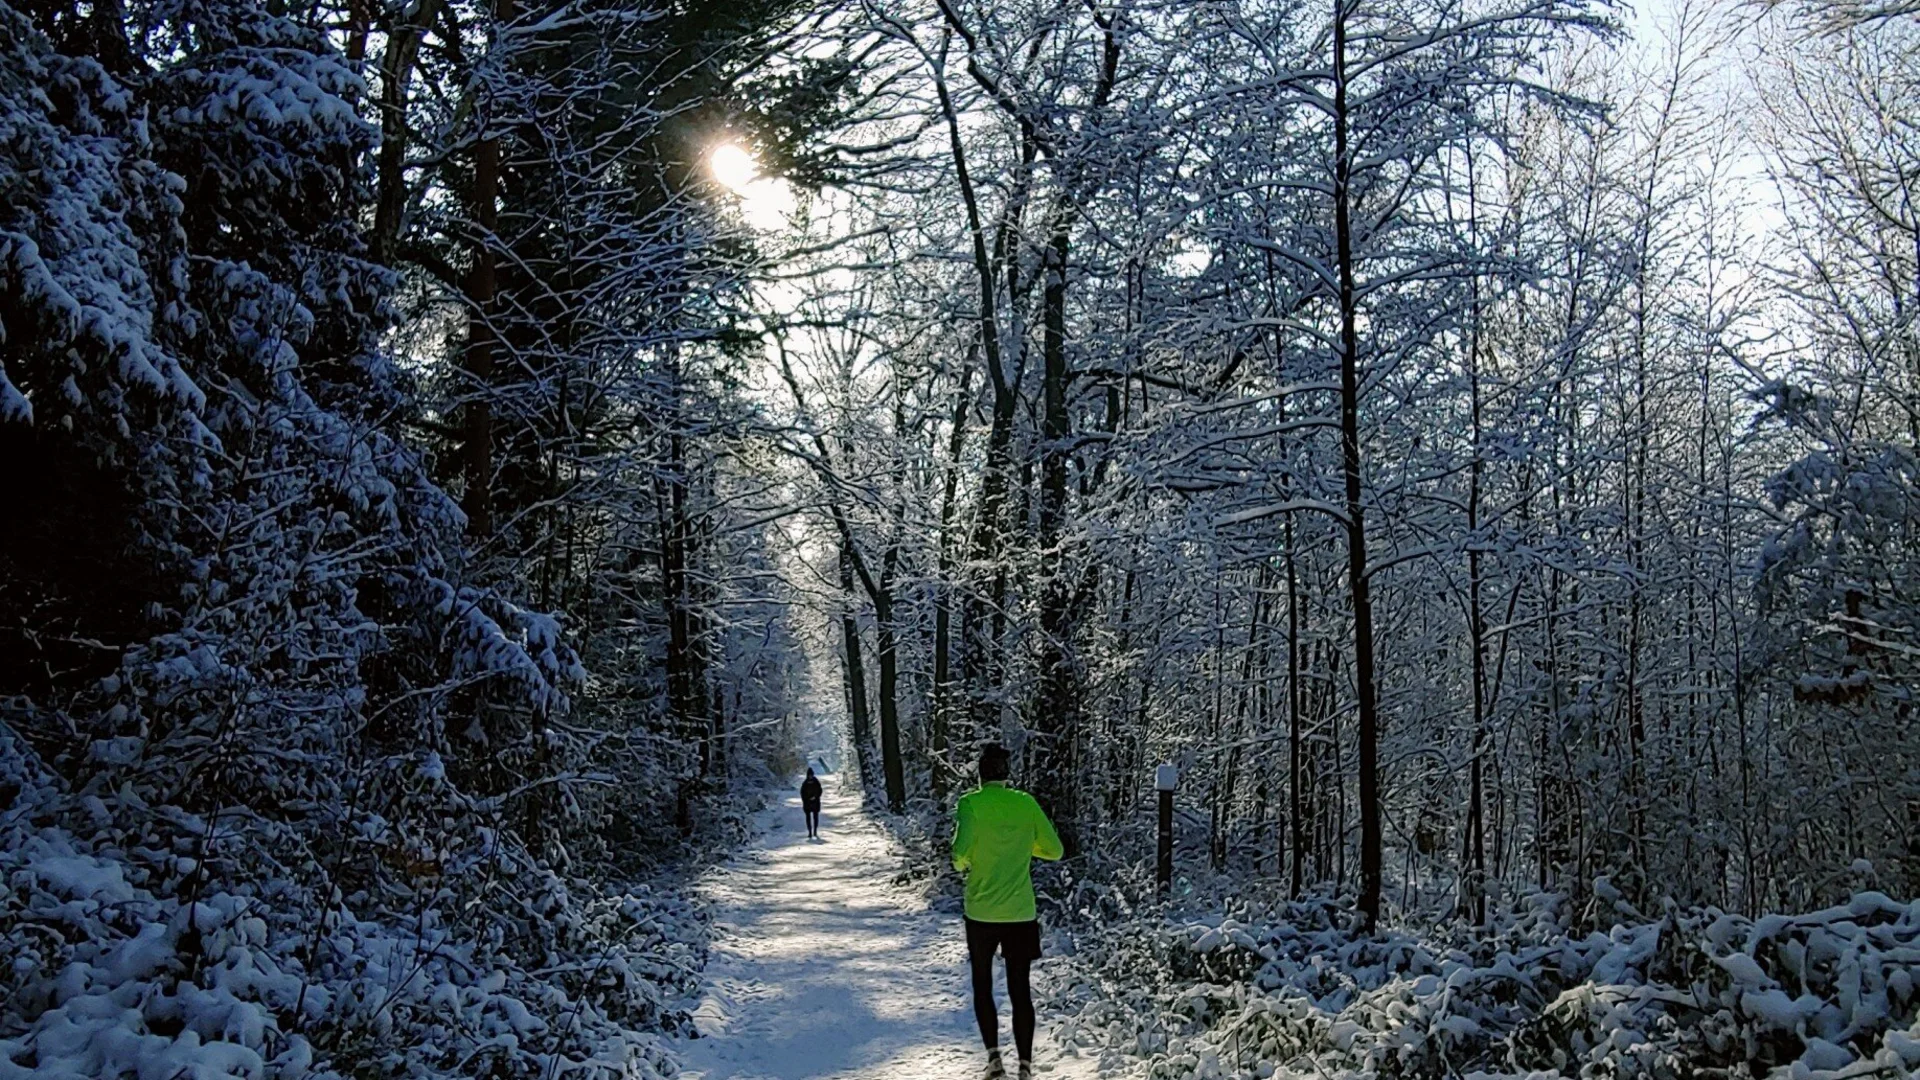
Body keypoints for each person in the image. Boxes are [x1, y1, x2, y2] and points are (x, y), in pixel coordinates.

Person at [950, 744, 1063, 1080]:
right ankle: (1026, 1066)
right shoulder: (1025, 803)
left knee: (983, 985)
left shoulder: (970, 804)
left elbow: (958, 854)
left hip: (981, 911)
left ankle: (994, 1061)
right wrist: (1026, 847)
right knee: (1020, 989)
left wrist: (966, 862)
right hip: (1020, 912)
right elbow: (1055, 851)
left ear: (981, 774)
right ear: (1007, 773)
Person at [799, 767, 823, 839]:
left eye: (811, 775)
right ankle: (809, 832)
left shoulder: (816, 781)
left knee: (815, 817)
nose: (810, 776)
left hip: (815, 802)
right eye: (809, 775)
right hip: (807, 803)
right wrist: (806, 799)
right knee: (808, 818)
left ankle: (815, 831)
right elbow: (802, 793)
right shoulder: (805, 783)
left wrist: (816, 797)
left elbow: (820, 790)